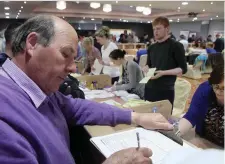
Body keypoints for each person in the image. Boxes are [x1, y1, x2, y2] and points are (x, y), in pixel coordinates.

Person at [0, 15, 173, 164]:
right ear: (32, 43)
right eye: (65, 54)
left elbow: (75, 107)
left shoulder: (37, 88)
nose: (73, 68)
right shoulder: (5, 118)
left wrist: (135, 116)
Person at [142, 16, 187, 108]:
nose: (155, 32)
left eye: (158, 28)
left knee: (163, 118)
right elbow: (149, 65)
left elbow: (183, 69)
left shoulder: (176, 46)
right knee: (149, 115)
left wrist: (164, 73)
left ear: (167, 29)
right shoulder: (151, 47)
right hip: (149, 87)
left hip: (165, 89)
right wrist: (145, 68)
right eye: (154, 29)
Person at [179, 64, 224, 148]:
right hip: (204, 140)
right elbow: (191, 116)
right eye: (215, 86)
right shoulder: (205, 89)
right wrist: (176, 133)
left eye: (223, 88)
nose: (218, 92)